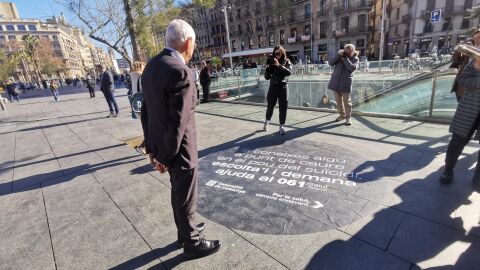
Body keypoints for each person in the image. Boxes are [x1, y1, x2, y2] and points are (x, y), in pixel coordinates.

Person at [141, 19, 221, 258]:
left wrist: (153, 151)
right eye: (194, 44)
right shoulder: (180, 71)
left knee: (178, 192)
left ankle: (185, 231)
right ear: (188, 42)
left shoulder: (151, 66)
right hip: (180, 150)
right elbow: (179, 122)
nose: (194, 48)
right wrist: (164, 157)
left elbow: (146, 111)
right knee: (185, 196)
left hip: (161, 146)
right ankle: (192, 242)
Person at [439, 56, 480, 190]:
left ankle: (478, 177)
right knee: (456, 142)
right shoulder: (476, 60)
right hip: (469, 109)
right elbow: (461, 79)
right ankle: (448, 170)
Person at [263, 45, 292, 135]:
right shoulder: (271, 62)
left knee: (283, 108)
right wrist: (268, 68)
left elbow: (289, 72)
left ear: (282, 53)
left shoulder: (286, 61)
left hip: (283, 87)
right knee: (270, 106)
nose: (277, 55)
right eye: (275, 53)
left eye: (278, 53)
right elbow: (266, 77)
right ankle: (267, 121)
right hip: (273, 87)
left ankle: (281, 126)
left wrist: (278, 65)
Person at [327, 44, 359, 126]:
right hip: (336, 83)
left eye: (348, 51)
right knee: (338, 102)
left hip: (345, 83)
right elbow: (330, 63)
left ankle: (348, 118)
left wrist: (345, 59)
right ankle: (342, 115)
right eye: (345, 51)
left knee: (347, 102)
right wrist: (338, 55)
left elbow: (351, 68)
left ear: (352, 51)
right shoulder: (339, 57)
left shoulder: (355, 59)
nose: (346, 53)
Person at [450, 30, 480, 102]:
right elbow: (455, 59)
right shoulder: (469, 49)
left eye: (479, 37)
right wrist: (463, 44)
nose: (476, 40)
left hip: (474, 92)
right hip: (461, 90)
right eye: (474, 38)